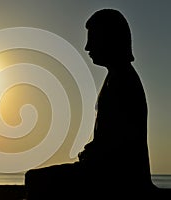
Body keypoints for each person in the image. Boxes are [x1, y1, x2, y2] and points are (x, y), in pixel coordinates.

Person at [24, 8, 158, 199]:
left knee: (36, 180)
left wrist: (91, 155)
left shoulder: (123, 80)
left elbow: (119, 143)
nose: (87, 47)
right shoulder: (118, 77)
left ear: (109, 39)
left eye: (93, 38)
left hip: (118, 177)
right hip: (111, 170)